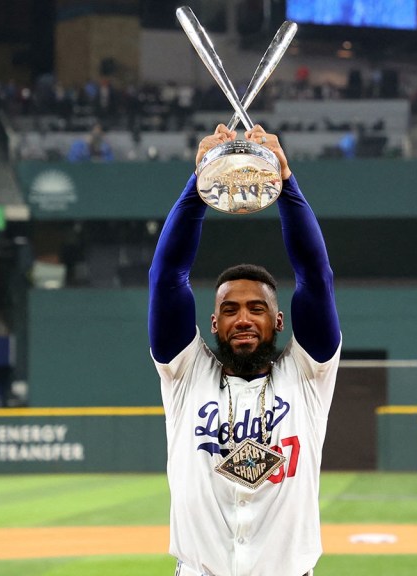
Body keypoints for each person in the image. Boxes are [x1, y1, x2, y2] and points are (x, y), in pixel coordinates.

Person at [148, 123, 341, 576]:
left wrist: (287, 182)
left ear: (278, 321)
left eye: (257, 308)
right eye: (230, 309)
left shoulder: (308, 374)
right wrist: (198, 186)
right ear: (212, 323)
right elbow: (167, 275)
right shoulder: (184, 371)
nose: (243, 318)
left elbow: (315, 276)